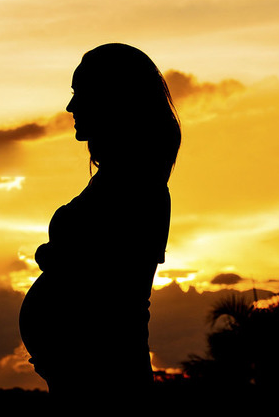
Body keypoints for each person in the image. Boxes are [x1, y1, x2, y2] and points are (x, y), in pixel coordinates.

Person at [19, 43, 180, 401]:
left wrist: (50, 256)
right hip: (82, 373)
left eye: (80, 93)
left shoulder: (137, 185)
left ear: (113, 100)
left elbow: (103, 275)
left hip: (105, 378)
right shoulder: (118, 180)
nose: (71, 106)